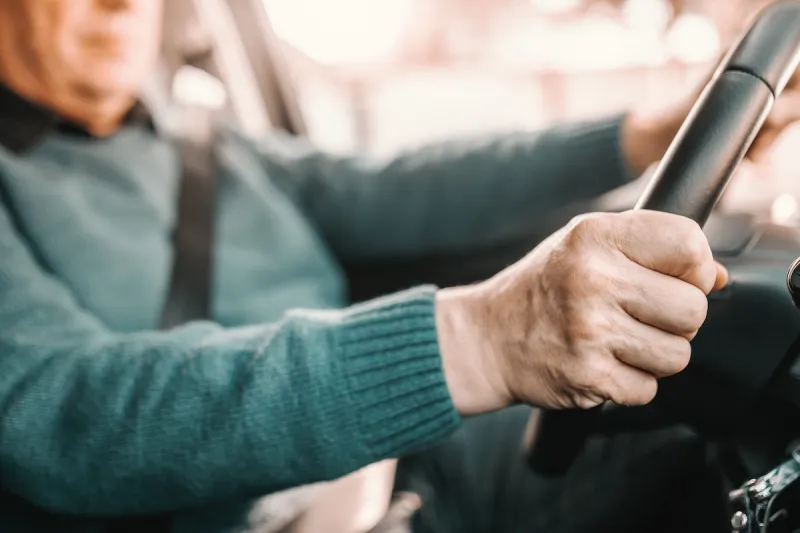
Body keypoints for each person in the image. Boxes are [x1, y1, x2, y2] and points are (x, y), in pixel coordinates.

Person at [0, 1, 797, 533]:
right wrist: (484, 340)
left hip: (408, 458)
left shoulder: (213, 146)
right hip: (273, 518)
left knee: (741, 390)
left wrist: (644, 135)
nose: (120, 5)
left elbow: (408, 188)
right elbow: (60, 405)